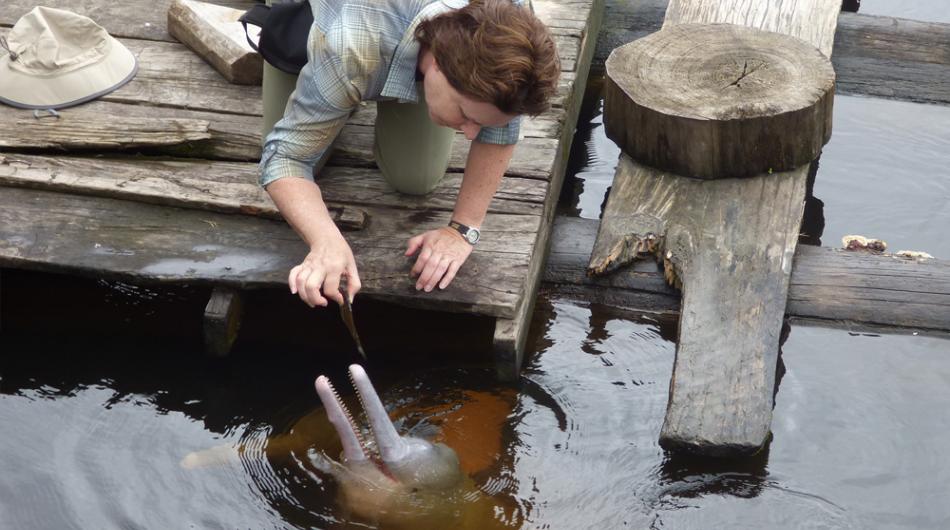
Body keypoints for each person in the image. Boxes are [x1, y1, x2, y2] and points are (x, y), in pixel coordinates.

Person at [259, 0, 560, 309]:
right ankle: (335, 90)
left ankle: (347, 93)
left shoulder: (511, 17)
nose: (469, 134)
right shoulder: (350, 42)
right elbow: (286, 158)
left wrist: (463, 229)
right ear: (440, 64)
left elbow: (501, 125)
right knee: (311, 162)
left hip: (398, 44)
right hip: (324, 23)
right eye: (466, 115)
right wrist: (325, 240)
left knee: (416, 177)